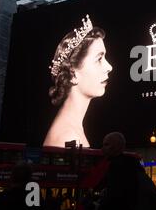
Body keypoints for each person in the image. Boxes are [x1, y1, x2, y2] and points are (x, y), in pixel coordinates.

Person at [43, 14, 112, 148]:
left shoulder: (72, 127)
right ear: (73, 74)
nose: (109, 67)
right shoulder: (69, 136)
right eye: (99, 59)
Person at [97, 132, 156, 210]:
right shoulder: (134, 166)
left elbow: (114, 198)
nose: (102, 148)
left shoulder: (117, 166)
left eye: (106, 144)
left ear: (116, 146)